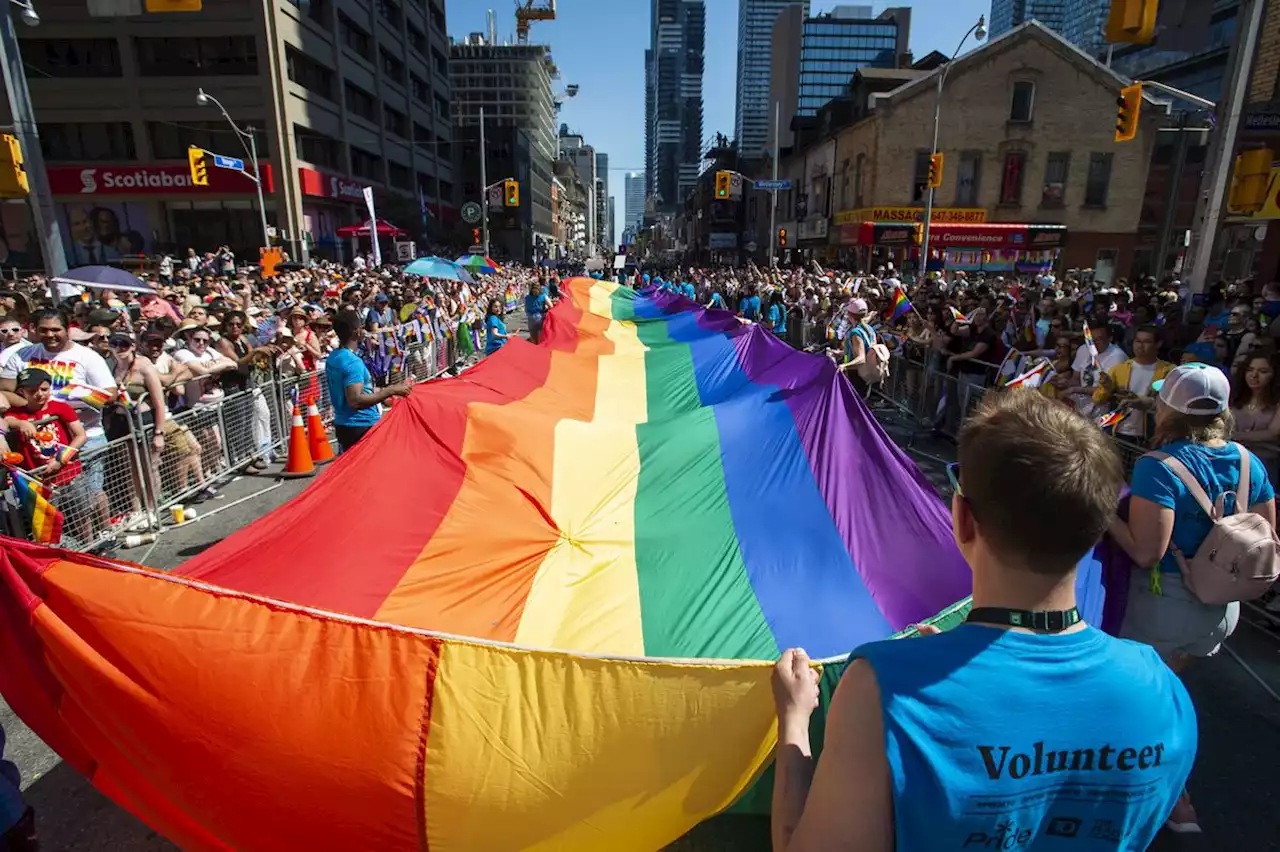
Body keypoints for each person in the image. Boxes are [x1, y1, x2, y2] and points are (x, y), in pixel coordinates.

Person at [770, 390, 1196, 852]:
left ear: (964, 520)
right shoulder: (1162, 686)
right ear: (1097, 527)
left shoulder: (882, 687)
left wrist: (793, 722)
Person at [1108, 362, 1276, 832]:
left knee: (1140, 701)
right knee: (1165, 695)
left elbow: (1146, 552)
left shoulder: (1157, 467)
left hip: (1163, 608)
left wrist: (1104, 508)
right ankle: (1172, 797)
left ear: (1168, 410)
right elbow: (1264, 534)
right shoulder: (1249, 461)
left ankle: (1165, 797)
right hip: (1221, 611)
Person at [326, 312, 411, 453]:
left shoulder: (334, 357)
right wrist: (391, 390)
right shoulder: (352, 362)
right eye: (361, 327)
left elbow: (357, 390)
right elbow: (355, 400)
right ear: (357, 331)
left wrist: (385, 391)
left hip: (344, 424)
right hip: (361, 426)